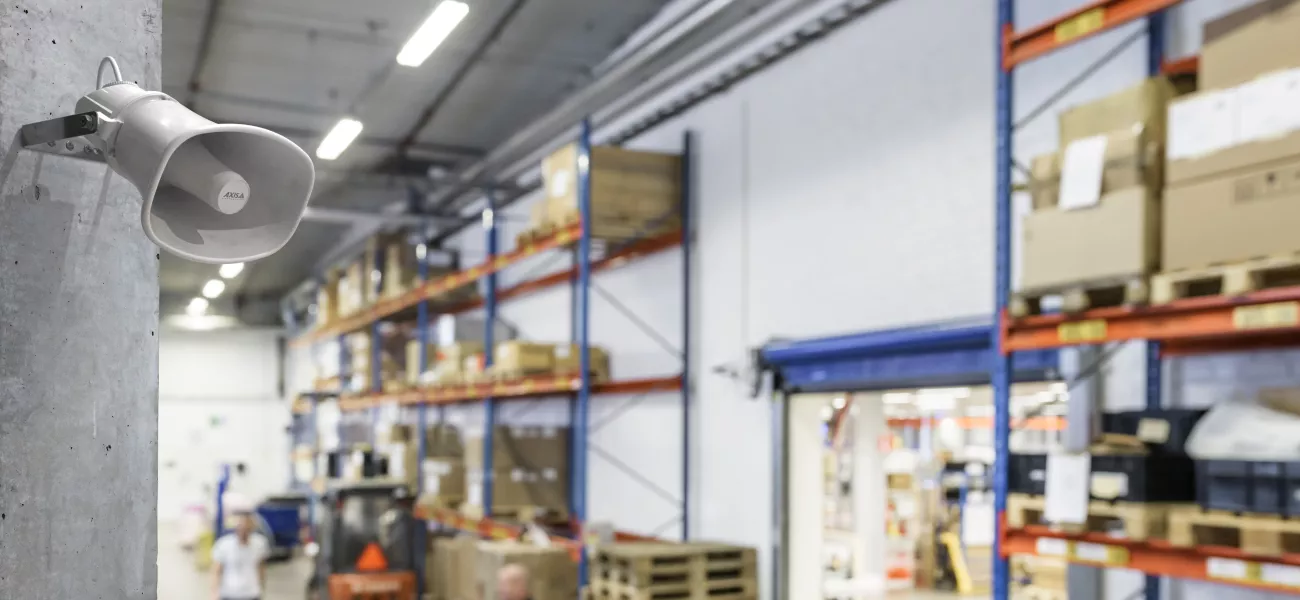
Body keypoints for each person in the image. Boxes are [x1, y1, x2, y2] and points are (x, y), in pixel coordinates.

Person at [211, 510, 269, 600]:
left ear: (252, 528)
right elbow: (216, 571)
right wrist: (214, 594)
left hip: (252, 594)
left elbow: (261, 567)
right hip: (229, 594)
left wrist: (262, 587)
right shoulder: (224, 544)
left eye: (247, 528)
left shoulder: (259, 543)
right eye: (241, 527)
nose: (244, 531)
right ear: (236, 528)